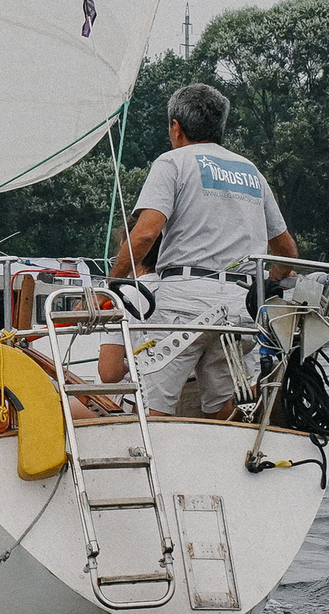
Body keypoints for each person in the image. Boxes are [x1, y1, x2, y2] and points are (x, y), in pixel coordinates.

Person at [105, 83, 299, 419]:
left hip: (184, 302)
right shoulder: (251, 172)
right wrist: (267, 284)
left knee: (154, 409)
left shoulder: (172, 163)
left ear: (176, 127)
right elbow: (286, 251)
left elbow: (145, 234)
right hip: (240, 307)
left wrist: (111, 284)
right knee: (222, 408)